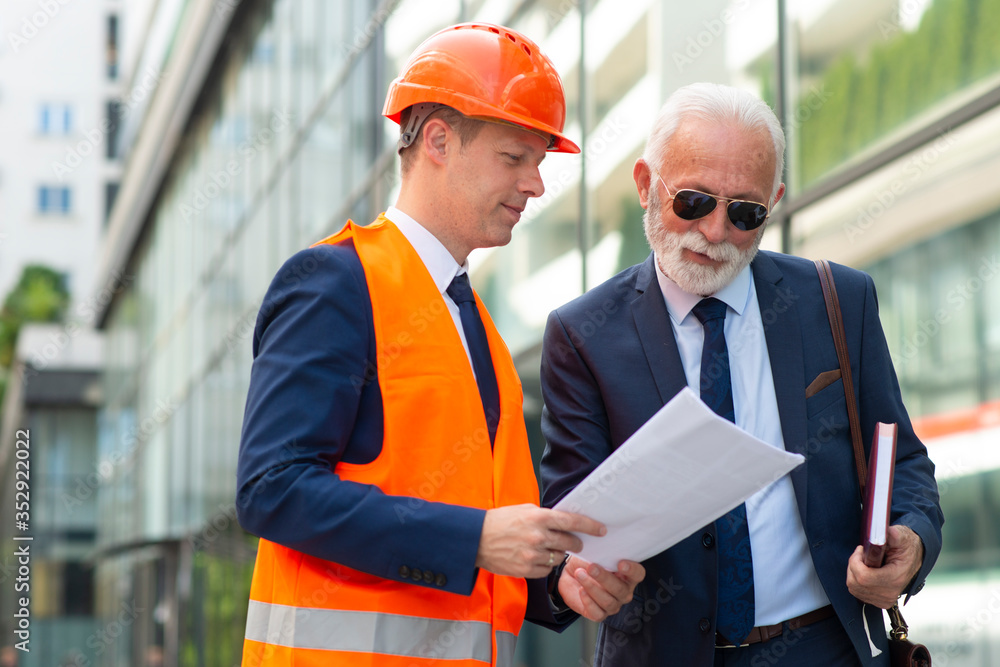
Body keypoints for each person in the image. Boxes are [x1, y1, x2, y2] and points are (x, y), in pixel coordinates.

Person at [235, 23, 644, 667]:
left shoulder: (477, 324)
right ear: (438, 141)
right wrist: (476, 538)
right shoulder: (336, 284)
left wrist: (558, 582)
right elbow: (272, 488)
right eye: (515, 158)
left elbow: (483, 542)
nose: (536, 185)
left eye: (539, 162)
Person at [538, 82, 943, 666]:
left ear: (775, 201)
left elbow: (903, 463)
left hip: (825, 649)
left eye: (746, 213)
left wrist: (912, 541)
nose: (716, 233)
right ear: (646, 185)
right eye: (694, 202)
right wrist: (572, 576)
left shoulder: (837, 300)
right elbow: (567, 524)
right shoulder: (583, 334)